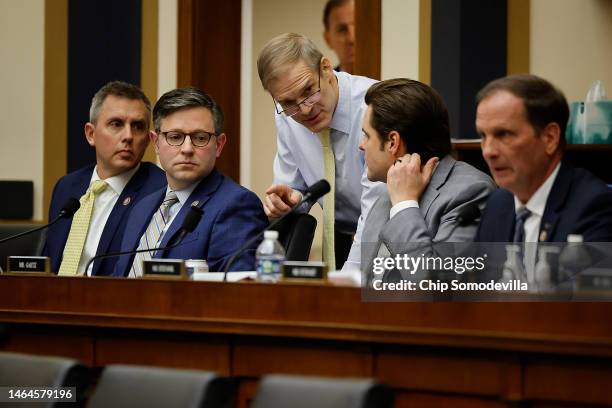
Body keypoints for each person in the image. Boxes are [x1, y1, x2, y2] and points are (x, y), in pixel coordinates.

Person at [257, 32, 385, 271]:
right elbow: (293, 186)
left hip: (387, 238)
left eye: (308, 91)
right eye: (288, 102)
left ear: (326, 68)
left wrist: (344, 283)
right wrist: (291, 200)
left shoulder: (374, 105)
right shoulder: (287, 118)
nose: (304, 109)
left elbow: (377, 212)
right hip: (339, 238)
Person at [112, 87, 267, 277]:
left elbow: (235, 295)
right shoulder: (141, 207)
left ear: (219, 145)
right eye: (175, 137)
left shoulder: (236, 205)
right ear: (156, 143)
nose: (187, 149)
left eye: (200, 138)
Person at [359, 78, 495, 279]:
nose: (361, 146)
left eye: (367, 136)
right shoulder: (386, 196)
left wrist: (405, 205)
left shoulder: (471, 192)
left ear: (392, 142)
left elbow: (435, 284)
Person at [44, 81, 166, 276]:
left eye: (138, 126)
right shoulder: (66, 187)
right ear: (91, 134)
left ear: (149, 139)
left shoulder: (160, 191)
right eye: (116, 124)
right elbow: (49, 263)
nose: (128, 136)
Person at [476, 74, 612, 244]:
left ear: (550, 137)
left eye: (504, 134)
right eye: (483, 135)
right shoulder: (497, 204)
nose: (488, 151)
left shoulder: (594, 206)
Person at [323, 0, 355, 73]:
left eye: (358, 27)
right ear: (328, 39)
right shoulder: (321, 84)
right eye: (342, 30)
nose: (352, 39)